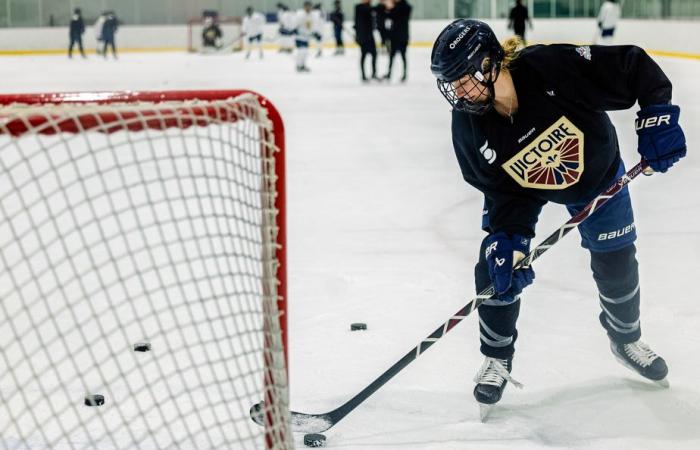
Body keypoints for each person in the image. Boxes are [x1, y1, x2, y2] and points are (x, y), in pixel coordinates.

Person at [430, 20, 686, 414]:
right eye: (451, 84)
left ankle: (625, 337)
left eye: (464, 78)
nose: (460, 93)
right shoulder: (468, 126)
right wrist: (507, 236)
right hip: (525, 190)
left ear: (491, 62)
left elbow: (632, 65)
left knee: (617, 261)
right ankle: (497, 356)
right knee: (497, 266)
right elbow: (500, 190)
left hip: (597, 176)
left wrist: (658, 115)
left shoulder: (550, 67)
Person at [384, 0, 411, 82]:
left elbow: (396, 14)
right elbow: (389, 16)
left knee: (402, 55)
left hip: (402, 36)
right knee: (392, 56)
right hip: (395, 36)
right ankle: (389, 73)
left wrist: (391, 7)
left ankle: (404, 74)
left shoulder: (405, 7)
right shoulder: (396, 6)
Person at [354, 0, 378, 82]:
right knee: (364, 55)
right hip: (363, 37)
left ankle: (374, 73)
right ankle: (363, 75)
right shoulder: (359, 7)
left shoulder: (370, 8)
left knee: (374, 54)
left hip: (370, 36)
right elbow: (367, 11)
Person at [294, 2, 314, 72]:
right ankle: (298, 65)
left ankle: (302, 65)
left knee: (305, 52)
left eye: (310, 6)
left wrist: (313, 33)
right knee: (301, 51)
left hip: (306, 37)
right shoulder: (300, 14)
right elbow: (295, 23)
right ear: (304, 6)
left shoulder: (311, 15)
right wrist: (295, 29)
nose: (309, 8)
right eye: (307, 6)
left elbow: (310, 26)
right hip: (299, 37)